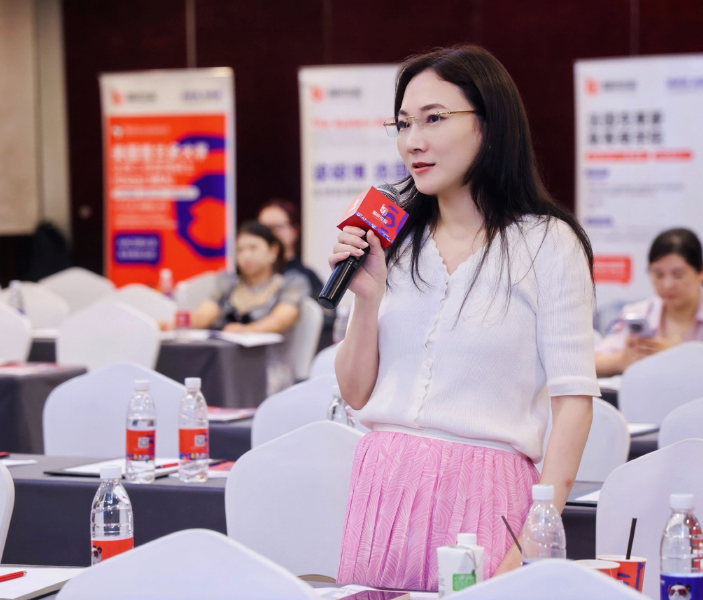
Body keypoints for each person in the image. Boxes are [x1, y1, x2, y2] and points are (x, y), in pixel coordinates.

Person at [331, 45, 598, 590]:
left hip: (486, 494)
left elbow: (573, 403)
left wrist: (533, 540)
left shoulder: (548, 243)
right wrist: (367, 299)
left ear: (490, 124)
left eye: (434, 119)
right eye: (404, 123)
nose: (413, 141)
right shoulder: (393, 240)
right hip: (383, 488)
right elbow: (355, 394)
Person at [595, 228, 703, 376]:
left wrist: (680, 357)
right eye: (658, 274)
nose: (667, 285)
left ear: (701, 271)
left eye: (678, 275)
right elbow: (592, 363)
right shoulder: (639, 312)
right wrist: (621, 361)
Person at [166, 221, 309, 394]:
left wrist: (248, 330)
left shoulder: (290, 283)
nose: (246, 255)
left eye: (253, 248)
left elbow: (282, 319)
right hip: (224, 367)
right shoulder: (228, 283)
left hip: (267, 369)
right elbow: (204, 316)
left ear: (273, 251)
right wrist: (169, 325)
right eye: (240, 250)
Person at [257, 199, 324, 298]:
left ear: (294, 230)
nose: (270, 234)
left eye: (277, 227)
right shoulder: (250, 274)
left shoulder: (306, 276)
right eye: (263, 228)